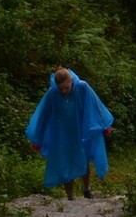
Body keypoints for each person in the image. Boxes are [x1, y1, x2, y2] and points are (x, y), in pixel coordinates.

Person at [25, 66, 114, 200]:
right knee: (66, 163)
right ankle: (70, 197)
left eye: (66, 87)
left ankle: (86, 189)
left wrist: (104, 126)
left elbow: (95, 106)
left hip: (82, 131)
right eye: (61, 88)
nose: (64, 91)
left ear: (71, 80)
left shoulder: (83, 88)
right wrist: (38, 139)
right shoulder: (53, 93)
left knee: (83, 160)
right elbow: (43, 116)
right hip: (63, 134)